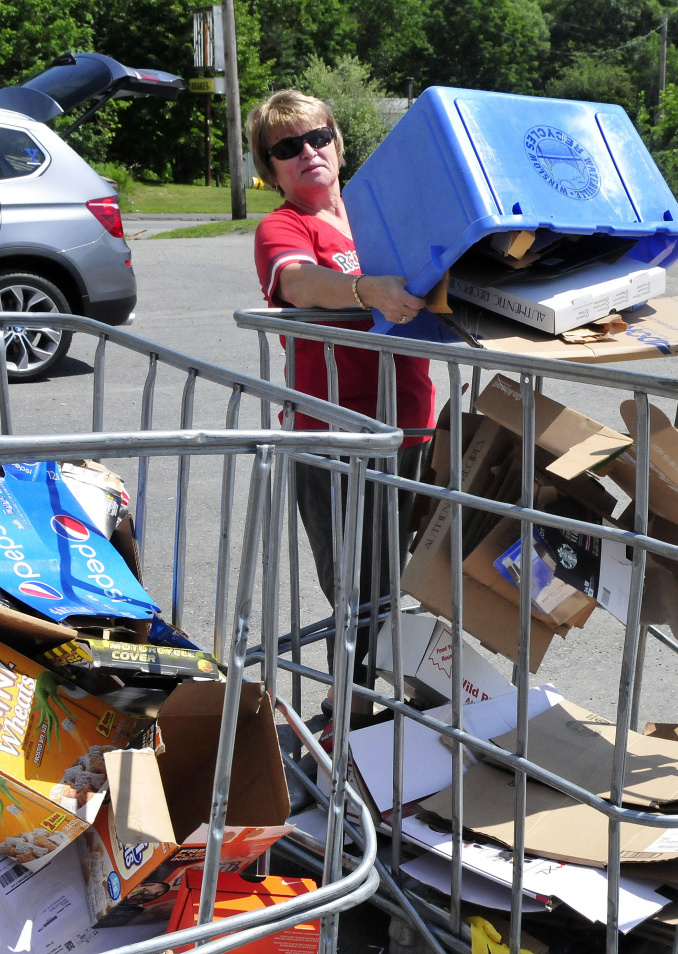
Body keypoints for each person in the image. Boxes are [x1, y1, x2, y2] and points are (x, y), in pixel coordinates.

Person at [247, 90, 436, 706]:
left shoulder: (378, 213)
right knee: (355, 583)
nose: (308, 153)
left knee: (395, 577)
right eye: (287, 147)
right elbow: (297, 281)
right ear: (271, 166)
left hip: (409, 422)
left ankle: (373, 704)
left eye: (318, 137)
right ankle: (347, 711)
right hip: (330, 434)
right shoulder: (283, 226)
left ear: (338, 142)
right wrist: (364, 290)